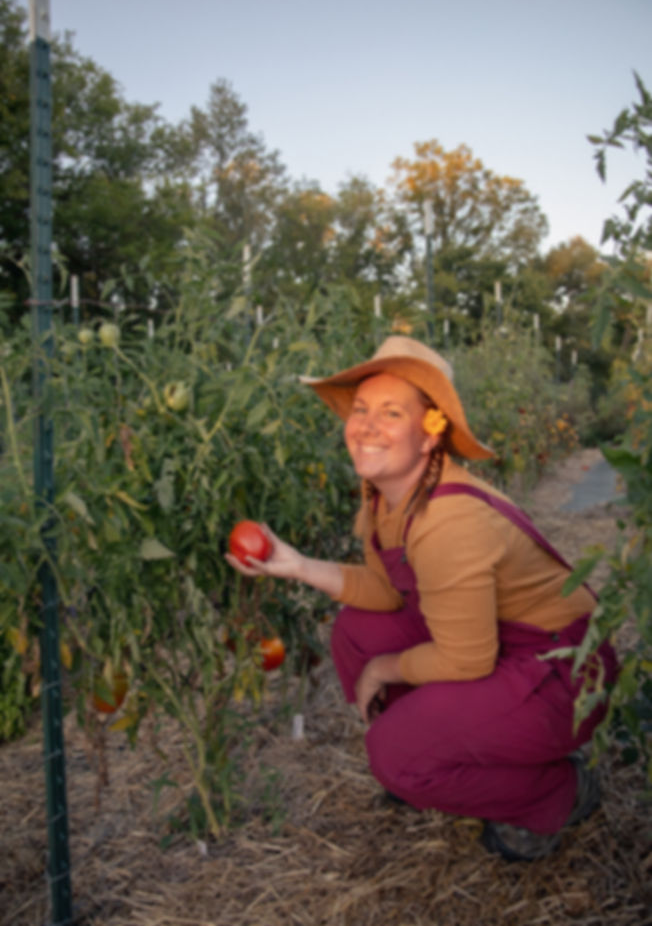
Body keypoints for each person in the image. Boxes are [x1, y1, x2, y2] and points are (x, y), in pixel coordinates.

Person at [225, 335, 618, 861]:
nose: (365, 425)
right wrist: (297, 566)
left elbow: (466, 657)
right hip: (508, 646)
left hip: (562, 674)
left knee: (392, 750)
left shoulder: (449, 520)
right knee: (356, 632)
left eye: (391, 412)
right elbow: (387, 593)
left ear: (430, 435)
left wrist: (384, 670)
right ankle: (438, 755)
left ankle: (562, 792)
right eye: (360, 409)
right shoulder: (385, 500)